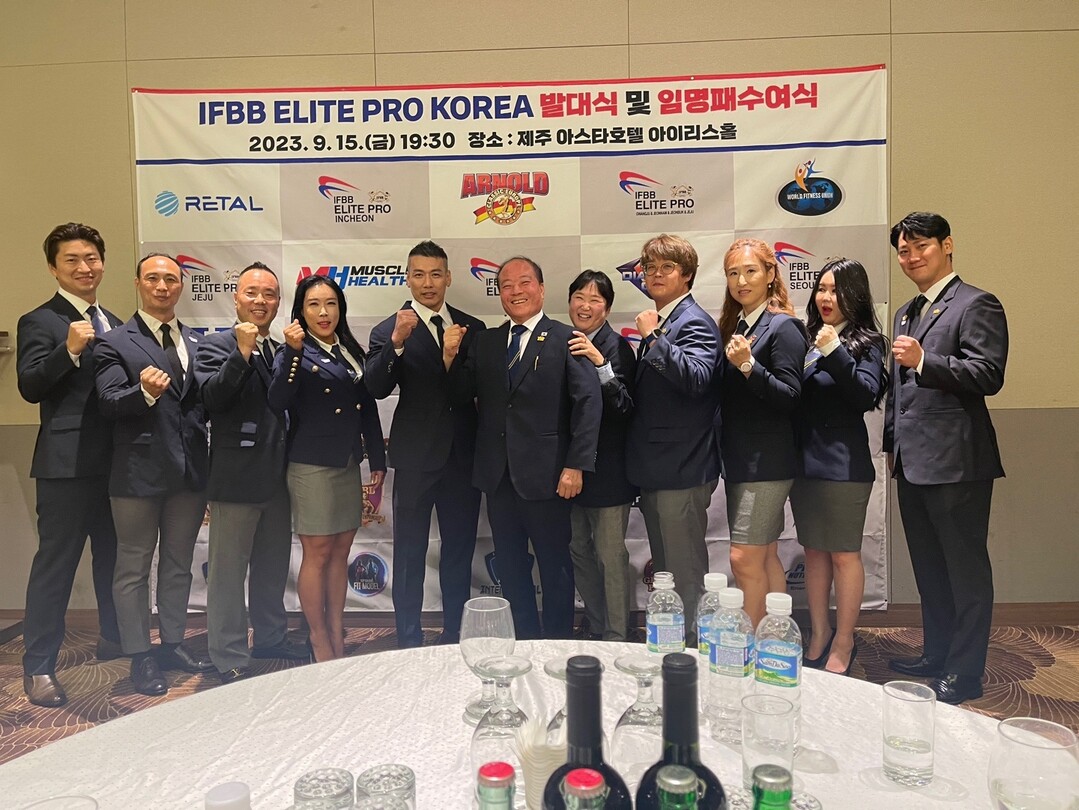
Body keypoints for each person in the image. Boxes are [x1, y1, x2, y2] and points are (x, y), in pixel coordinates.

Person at [885, 212, 1008, 705]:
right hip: (912, 462)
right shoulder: (906, 311)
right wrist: (892, 443)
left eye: (921, 246)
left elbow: (988, 374)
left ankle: (965, 672)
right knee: (930, 569)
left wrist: (924, 361)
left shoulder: (977, 303)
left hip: (957, 462)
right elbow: (899, 393)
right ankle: (936, 654)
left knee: (965, 572)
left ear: (947, 245)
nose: (912, 257)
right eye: (904, 250)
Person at [444, 256, 601, 639]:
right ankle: (526, 641)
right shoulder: (486, 341)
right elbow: (461, 396)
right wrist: (449, 358)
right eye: (507, 285)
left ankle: (558, 644)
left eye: (524, 282)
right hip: (498, 477)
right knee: (512, 568)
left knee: (555, 566)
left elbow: (588, 403)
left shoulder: (566, 338)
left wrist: (576, 465)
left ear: (541, 289)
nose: (516, 291)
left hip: (550, 477)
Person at [94, 253, 212, 696]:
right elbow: (108, 402)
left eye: (171, 279)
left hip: (189, 472)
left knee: (179, 564)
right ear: (138, 283)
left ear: (181, 285)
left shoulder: (197, 341)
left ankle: (174, 644)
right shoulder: (114, 341)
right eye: (153, 279)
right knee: (133, 567)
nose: (162, 286)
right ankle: (140, 655)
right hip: (136, 474)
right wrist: (142, 392)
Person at [16, 223, 124, 707]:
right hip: (65, 466)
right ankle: (38, 666)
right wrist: (69, 350)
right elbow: (30, 385)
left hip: (117, 464)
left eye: (91, 258)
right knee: (55, 568)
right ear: (53, 268)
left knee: (116, 561)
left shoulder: (114, 321)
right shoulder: (40, 320)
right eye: (72, 260)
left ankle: (116, 639)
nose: (85, 268)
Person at [366, 241, 485, 648]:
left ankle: (455, 635)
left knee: (459, 551)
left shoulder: (472, 328)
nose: (428, 283)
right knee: (409, 553)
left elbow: (471, 390)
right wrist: (397, 343)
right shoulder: (388, 329)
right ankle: (408, 639)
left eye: (436, 274)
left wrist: (451, 357)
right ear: (408, 278)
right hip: (415, 458)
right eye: (419, 274)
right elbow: (376, 388)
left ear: (448, 277)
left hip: (462, 457)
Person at [193, 262, 306, 684]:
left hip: (278, 476)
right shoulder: (216, 345)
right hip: (236, 478)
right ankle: (227, 655)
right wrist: (240, 353)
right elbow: (212, 399)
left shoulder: (279, 348)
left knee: (272, 566)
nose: (261, 301)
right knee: (227, 573)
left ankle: (271, 637)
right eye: (252, 292)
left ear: (278, 302)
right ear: (236, 298)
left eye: (269, 294)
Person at [267, 275, 386, 663]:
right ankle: (318, 638)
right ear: (300, 311)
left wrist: (378, 459)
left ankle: (336, 629)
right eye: (314, 304)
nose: (323, 312)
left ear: (341, 308)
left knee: (340, 551)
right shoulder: (295, 351)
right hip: (312, 465)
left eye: (331, 303)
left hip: (347, 462)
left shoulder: (348, 348)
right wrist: (293, 352)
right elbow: (277, 399)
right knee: (317, 553)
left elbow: (366, 406)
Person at [790, 259, 888, 675]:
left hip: (843, 465)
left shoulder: (869, 342)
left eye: (836, 290)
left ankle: (845, 641)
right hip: (803, 463)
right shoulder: (806, 338)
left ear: (855, 295)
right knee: (814, 553)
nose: (826, 298)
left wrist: (834, 350)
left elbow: (864, 395)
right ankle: (819, 632)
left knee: (845, 555)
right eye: (822, 289)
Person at [626, 234, 722, 629]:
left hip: (682, 469)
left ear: (687, 275)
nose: (656, 274)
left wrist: (653, 337)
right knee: (667, 574)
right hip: (659, 469)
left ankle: (696, 649)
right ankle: (673, 647)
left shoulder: (693, 321)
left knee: (685, 573)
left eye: (667, 267)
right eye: (650, 268)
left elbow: (696, 379)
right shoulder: (668, 320)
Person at [718, 238, 807, 627]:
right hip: (740, 461)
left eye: (750, 271)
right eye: (733, 273)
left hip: (767, 463)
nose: (741, 281)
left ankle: (749, 647)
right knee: (766, 555)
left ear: (771, 274)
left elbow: (790, 397)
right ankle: (774, 639)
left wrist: (748, 366)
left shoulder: (783, 326)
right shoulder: (738, 325)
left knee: (743, 558)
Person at [565, 270, 638, 641]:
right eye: (579, 297)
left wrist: (599, 363)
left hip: (609, 473)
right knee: (579, 550)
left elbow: (624, 408)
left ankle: (617, 634)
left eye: (595, 300)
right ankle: (595, 623)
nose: (585, 306)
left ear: (606, 309)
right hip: (571, 472)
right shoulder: (563, 342)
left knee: (610, 555)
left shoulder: (617, 347)